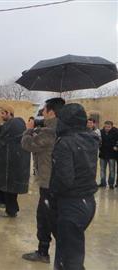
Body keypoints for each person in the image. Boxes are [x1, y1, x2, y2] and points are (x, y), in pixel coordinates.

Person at [50, 103, 98, 270]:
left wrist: (52, 195)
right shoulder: (90, 139)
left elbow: (65, 179)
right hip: (88, 202)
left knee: (69, 260)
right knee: (72, 253)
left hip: (72, 204)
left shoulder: (65, 143)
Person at [21, 97, 65, 264]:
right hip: (60, 180)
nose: (42, 114)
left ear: (52, 112)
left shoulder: (49, 132)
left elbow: (27, 145)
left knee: (46, 218)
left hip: (48, 182)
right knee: (53, 217)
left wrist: (28, 130)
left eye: (44, 111)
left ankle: (44, 252)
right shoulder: (64, 129)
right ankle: (54, 252)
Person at [0, 104, 30, 217]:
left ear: (10, 114)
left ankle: (11, 211)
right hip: (6, 165)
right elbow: (1, 128)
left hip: (12, 165)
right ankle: (2, 202)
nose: (1, 115)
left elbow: (5, 133)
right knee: (2, 185)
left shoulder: (16, 124)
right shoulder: (9, 125)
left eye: (3, 113)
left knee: (10, 189)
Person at [98, 120, 117, 189]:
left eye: (108, 127)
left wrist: (116, 146)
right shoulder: (101, 132)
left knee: (112, 170)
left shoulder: (115, 132)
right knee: (102, 169)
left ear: (111, 126)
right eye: (106, 127)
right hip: (103, 154)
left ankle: (111, 184)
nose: (107, 128)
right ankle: (103, 183)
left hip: (112, 154)